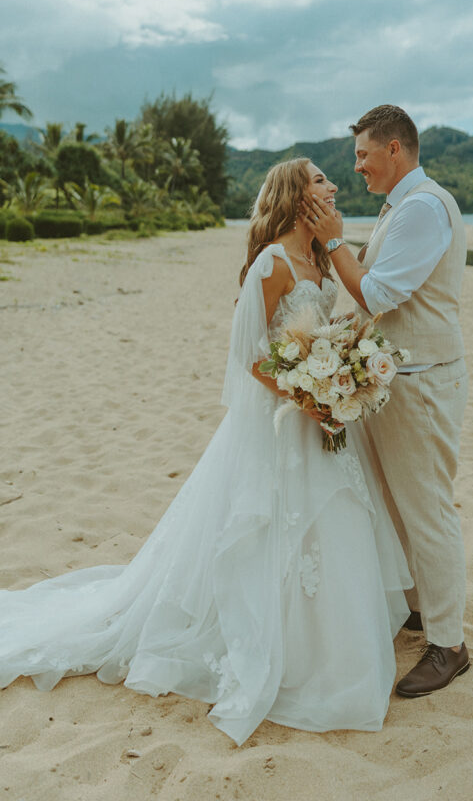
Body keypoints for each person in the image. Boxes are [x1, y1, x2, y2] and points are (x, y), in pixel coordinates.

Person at [0, 158, 411, 746]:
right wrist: (308, 393)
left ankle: (333, 642)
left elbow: (339, 320)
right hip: (287, 422)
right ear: (298, 197)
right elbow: (249, 356)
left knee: (334, 526)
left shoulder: (320, 258)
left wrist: (340, 377)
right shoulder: (270, 263)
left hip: (323, 422)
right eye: (322, 180)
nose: (334, 185)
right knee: (272, 531)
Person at [301, 104, 470, 697]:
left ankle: (449, 644)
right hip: (402, 377)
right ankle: (425, 606)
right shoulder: (403, 206)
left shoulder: (422, 209)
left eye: (363, 154)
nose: (358, 166)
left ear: (394, 149)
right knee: (402, 505)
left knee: (426, 507)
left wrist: (332, 239)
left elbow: (375, 292)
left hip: (424, 381)